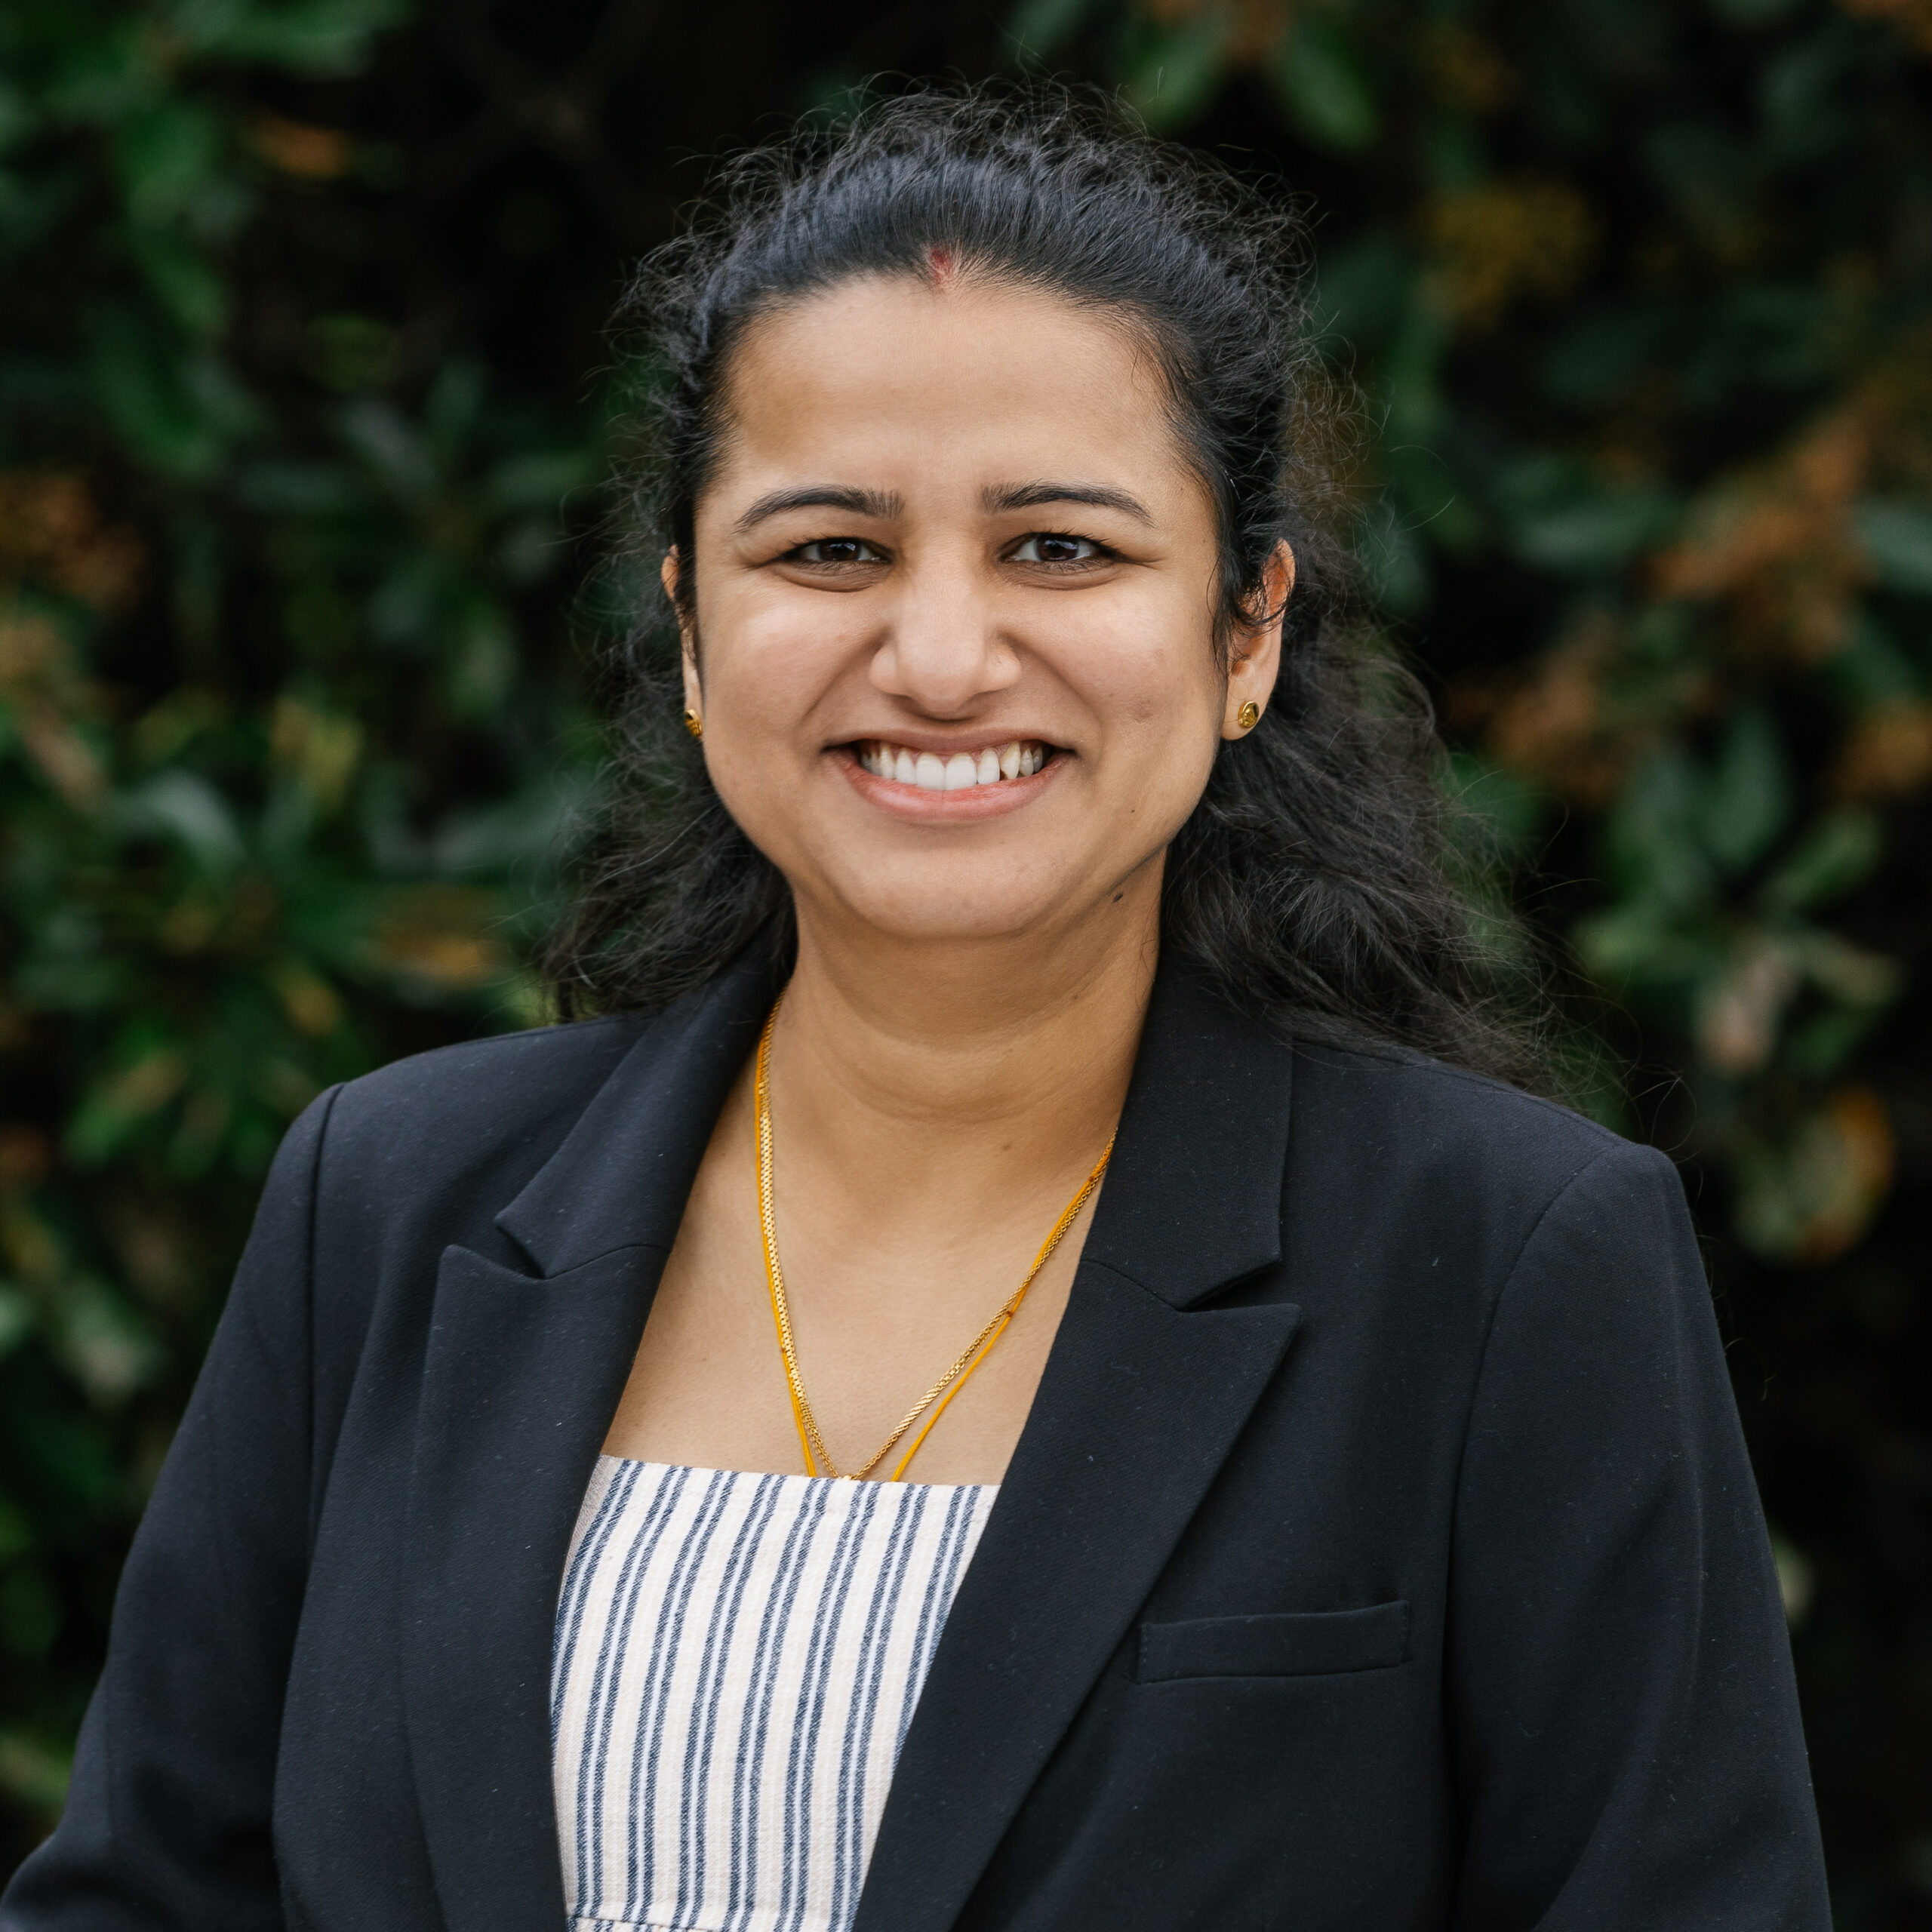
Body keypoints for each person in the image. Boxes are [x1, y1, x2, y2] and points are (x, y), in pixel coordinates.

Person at [2, 86, 1829, 1932]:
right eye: (829, 550)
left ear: (1245, 629)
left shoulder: (1511, 1264)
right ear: (691, 630)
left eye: (1059, 548)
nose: (942, 658)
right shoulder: (388, 1200)